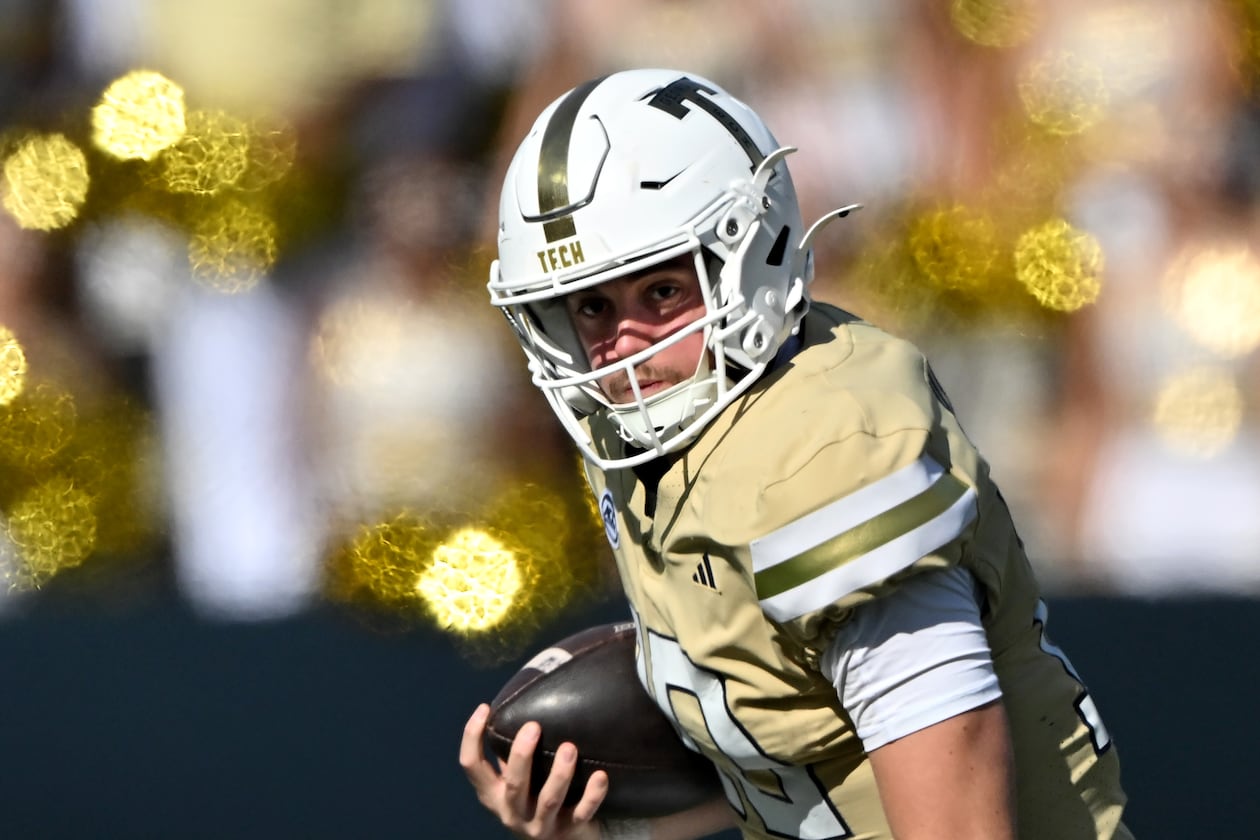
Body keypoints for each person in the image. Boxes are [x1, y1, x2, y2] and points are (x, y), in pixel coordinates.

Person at [460, 68, 1130, 840]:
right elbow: (800, 766)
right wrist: (606, 827)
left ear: (750, 252)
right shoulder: (650, 440)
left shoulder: (822, 451)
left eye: (664, 293)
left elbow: (957, 823)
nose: (624, 349)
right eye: (592, 306)